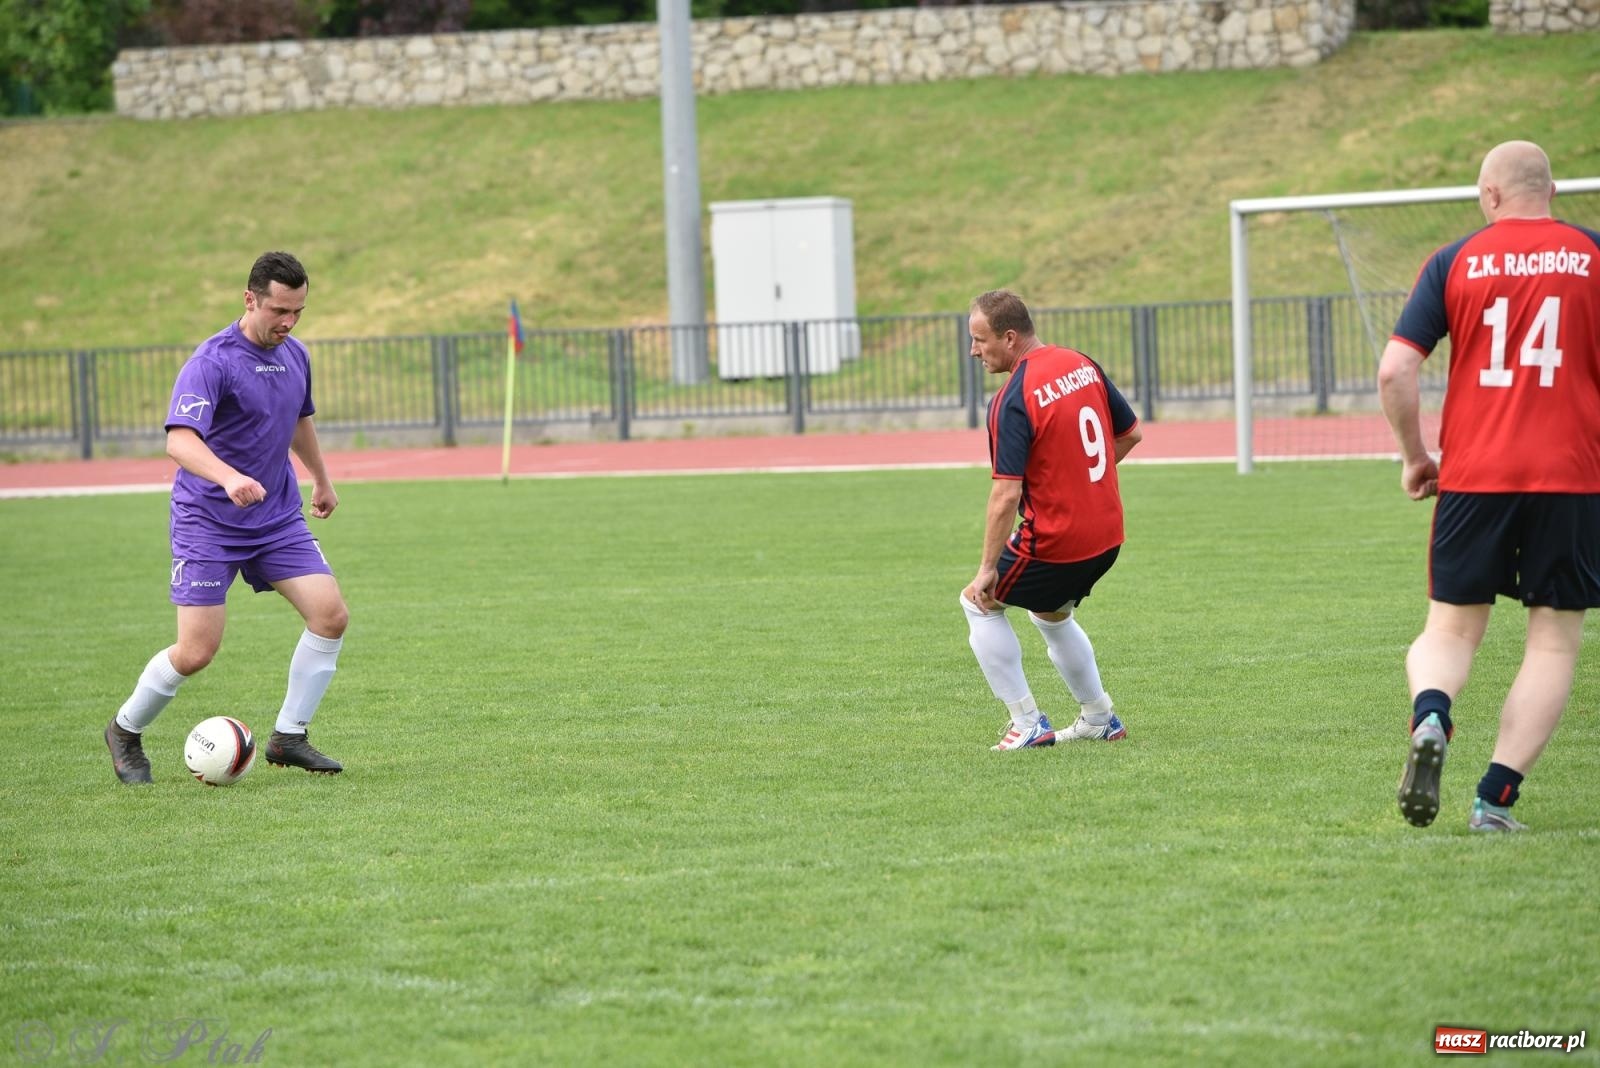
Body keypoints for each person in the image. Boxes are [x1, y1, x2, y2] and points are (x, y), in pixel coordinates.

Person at [1378, 140, 1600, 831]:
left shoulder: (1456, 260)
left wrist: (1417, 457)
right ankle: (1495, 800)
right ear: (1551, 192)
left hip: (1475, 475)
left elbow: (1395, 371)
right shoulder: (1592, 256)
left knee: (1451, 628)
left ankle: (1433, 715)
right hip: (1571, 475)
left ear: (1492, 195)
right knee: (1554, 641)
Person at [105, 251, 350, 783]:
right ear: (250, 299)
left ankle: (289, 736)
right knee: (196, 652)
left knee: (330, 615)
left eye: (299, 312)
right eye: (279, 310)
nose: (288, 322)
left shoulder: (296, 355)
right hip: (209, 522)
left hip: (276, 517)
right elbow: (180, 440)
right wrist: (227, 477)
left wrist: (321, 479)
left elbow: (298, 421)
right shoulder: (212, 362)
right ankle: (125, 730)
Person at [961, 289, 1143, 750]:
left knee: (978, 601)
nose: (974, 351)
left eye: (980, 340)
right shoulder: (1081, 363)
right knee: (1051, 614)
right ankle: (1099, 716)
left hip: (1060, 539)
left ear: (1009, 336)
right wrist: (1078, 485)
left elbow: (1006, 494)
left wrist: (987, 570)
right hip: (1108, 533)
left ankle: (1026, 723)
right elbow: (1131, 434)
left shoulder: (1013, 398)